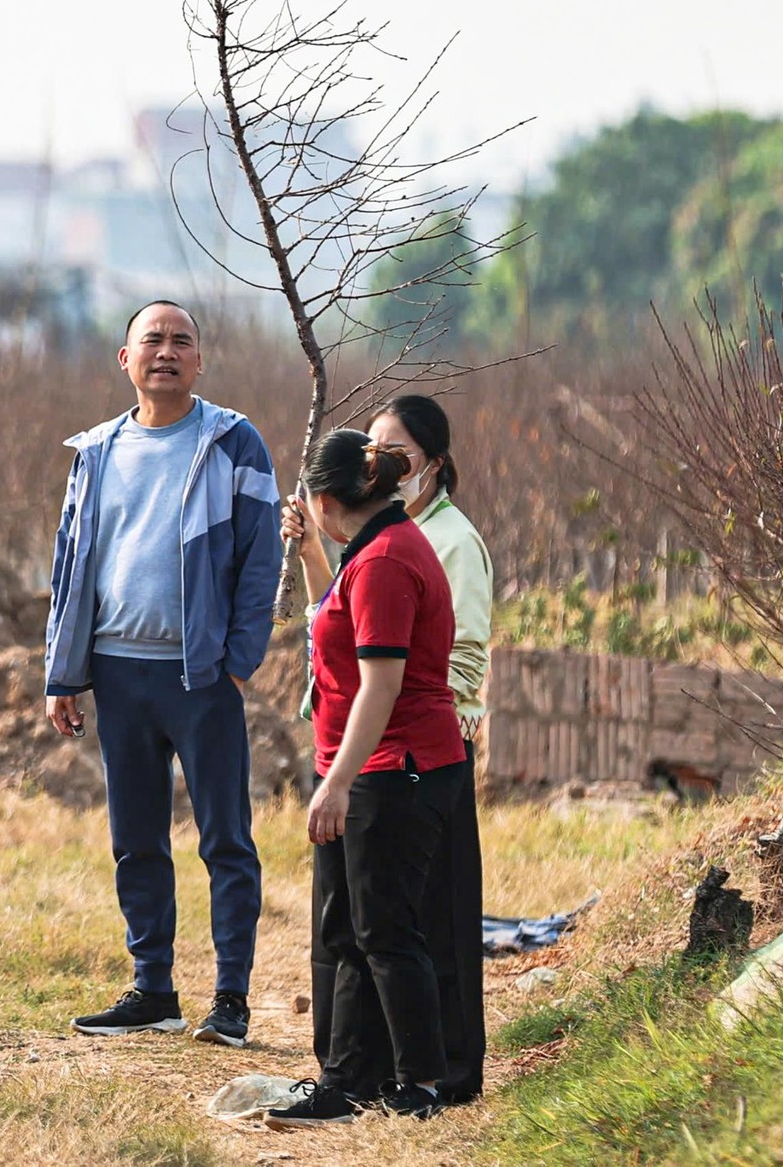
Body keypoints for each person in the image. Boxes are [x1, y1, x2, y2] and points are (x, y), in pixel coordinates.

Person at [44, 300, 284, 1048]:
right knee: (136, 840)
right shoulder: (97, 452)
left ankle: (231, 1001)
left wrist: (238, 664)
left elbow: (261, 558)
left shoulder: (231, 443)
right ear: (125, 359)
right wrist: (64, 671)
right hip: (119, 676)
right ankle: (152, 990)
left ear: (200, 361)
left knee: (225, 842)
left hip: (200, 679)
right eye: (152, 339)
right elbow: (70, 564)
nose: (167, 351)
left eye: (183, 340)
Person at [282, 394, 492, 1103]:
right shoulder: (378, 547)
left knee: (386, 933)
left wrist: (337, 782)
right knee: (350, 930)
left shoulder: (386, 563)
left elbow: (382, 683)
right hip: (374, 764)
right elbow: (332, 631)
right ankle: (345, 1081)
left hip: (393, 767)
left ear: (322, 498)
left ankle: (421, 1083)